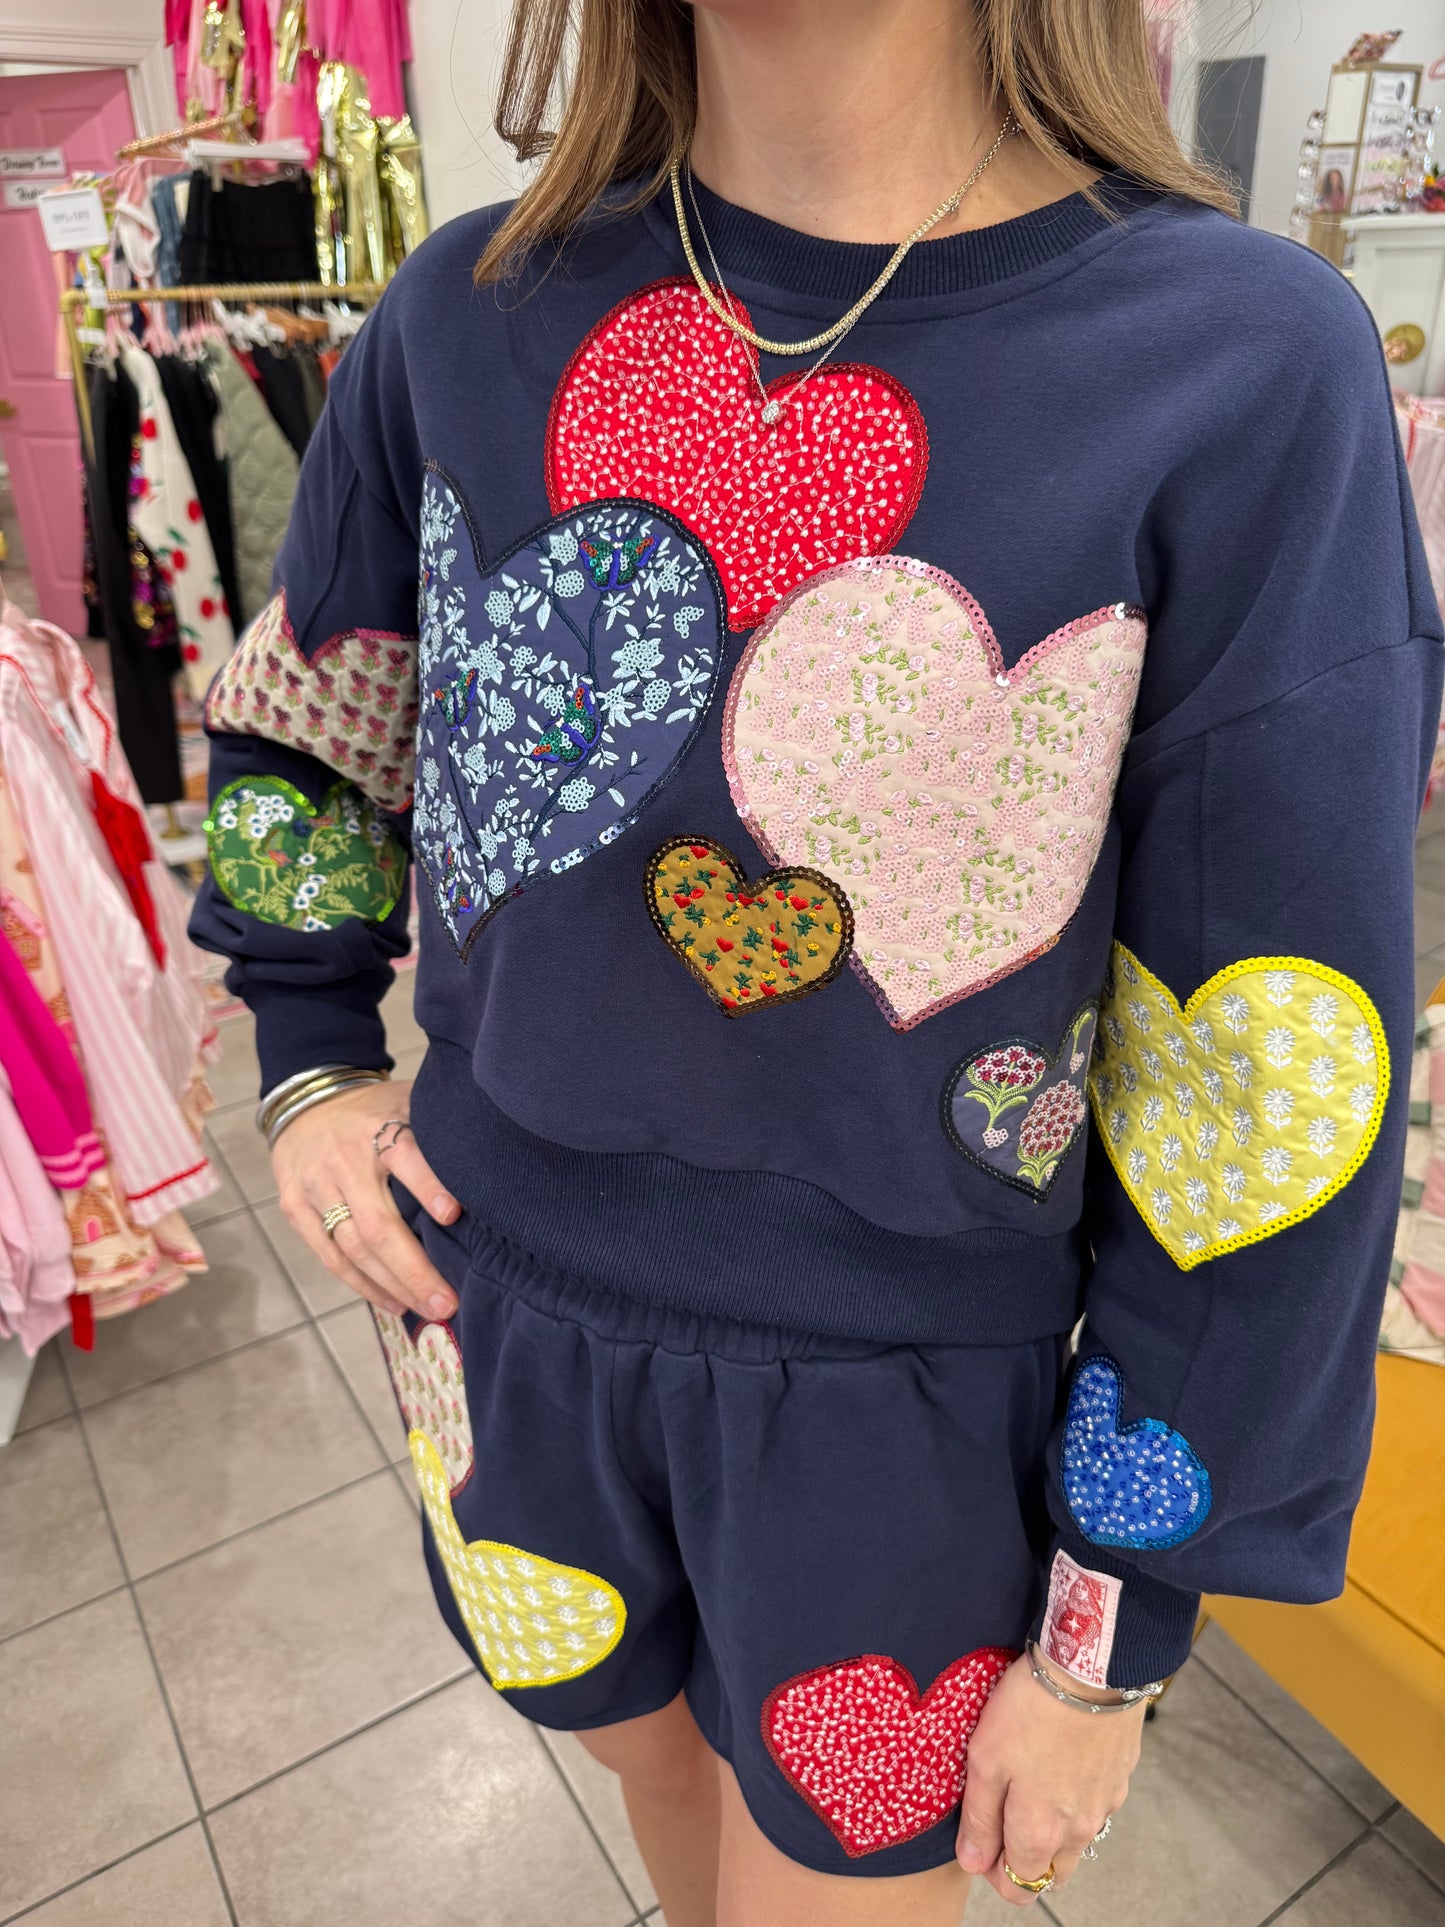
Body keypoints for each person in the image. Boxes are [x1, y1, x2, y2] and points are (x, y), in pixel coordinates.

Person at [190, 2, 1443, 1920]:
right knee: (665, 1814)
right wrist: (307, 1056)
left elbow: (1270, 1060)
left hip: (910, 1414)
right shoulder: (468, 309)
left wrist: (1112, 1619)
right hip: (500, 1323)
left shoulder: (1240, 360)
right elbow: (316, 708)